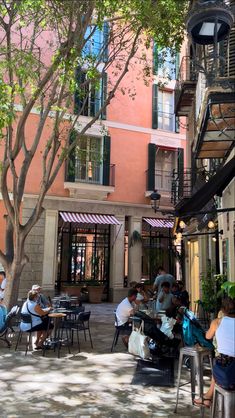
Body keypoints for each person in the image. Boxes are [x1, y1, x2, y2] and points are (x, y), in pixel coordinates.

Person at [194, 297, 235, 408]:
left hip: (226, 377)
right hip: (229, 372)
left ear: (223, 310)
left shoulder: (217, 322)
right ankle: (208, 397)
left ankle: (207, 397)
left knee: (219, 361)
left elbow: (208, 336)